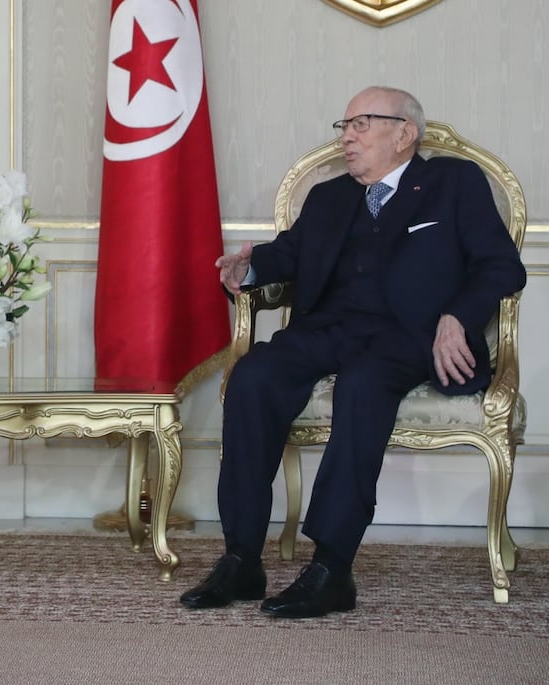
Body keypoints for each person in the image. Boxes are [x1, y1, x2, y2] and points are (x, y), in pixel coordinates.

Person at [180, 86, 526, 618]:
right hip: (330, 329)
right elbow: (289, 255)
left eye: (361, 123)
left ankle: (331, 567)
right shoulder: (330, 196)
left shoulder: (453, 184)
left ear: (404, 133)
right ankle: (242, 557)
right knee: (254, 377)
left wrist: (456, 315)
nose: (347, 137)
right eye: (344, 126)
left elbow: (501, 266)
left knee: (362, 384)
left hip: (409, 334)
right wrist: (247, 269)